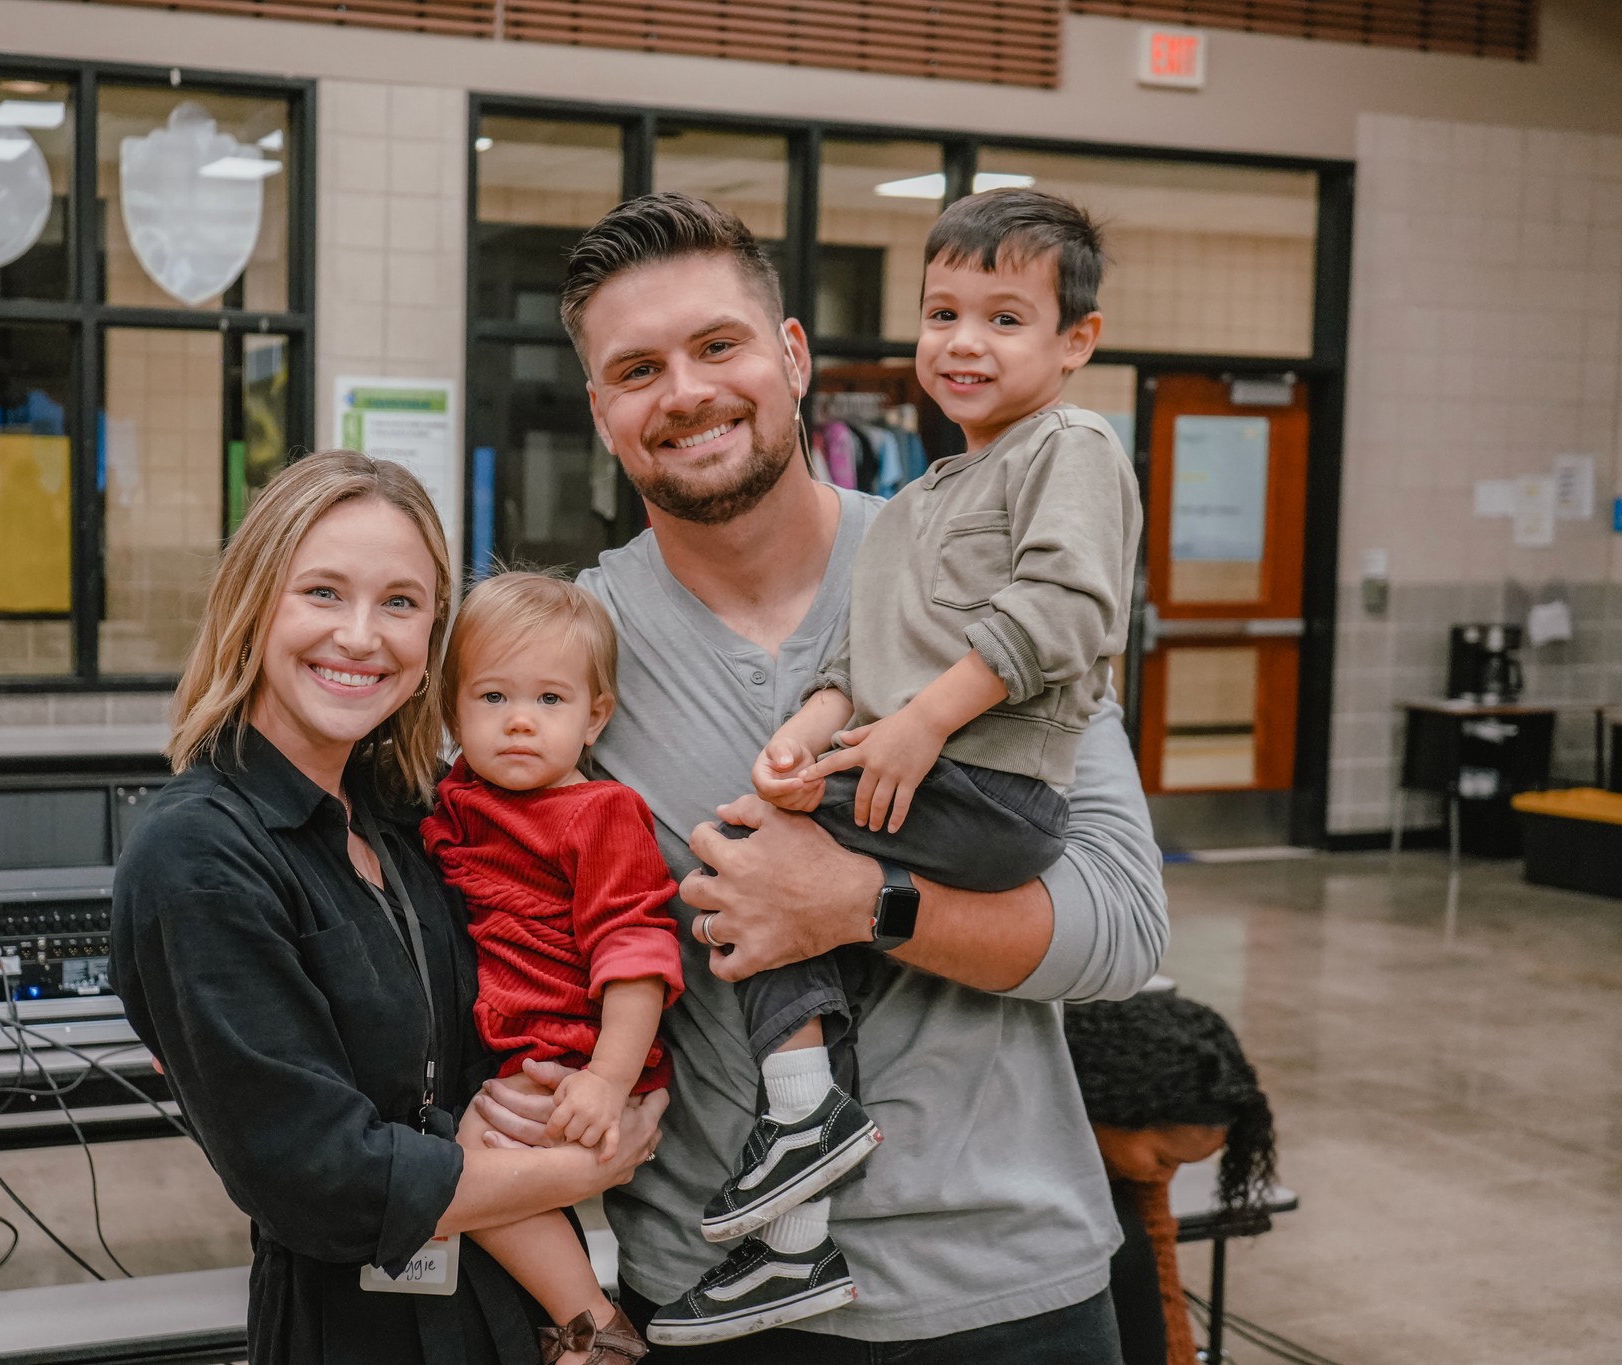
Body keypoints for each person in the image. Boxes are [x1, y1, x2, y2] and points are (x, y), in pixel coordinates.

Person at [469, 192, 1168, 1361]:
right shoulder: (558, 661)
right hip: (713, 1290)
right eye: (635, 369)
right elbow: (501, 919)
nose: (684, 392)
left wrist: (859, 907)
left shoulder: (984, 559)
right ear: (599, 410)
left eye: (717, 345)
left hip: (1007, 1280)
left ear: (790, 357)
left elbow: (1120, 929)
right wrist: (517, 1085)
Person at [109, 451, 667, 1365]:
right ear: (254, 605)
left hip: (513, 1314)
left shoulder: (415, 814)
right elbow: (321, 1179)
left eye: (401, 603)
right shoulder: (199, 853)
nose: (362, 637)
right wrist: (591, 1163)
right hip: (354, 1334)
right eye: (323, 592)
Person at [423, 571, 687, 1362]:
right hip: (520, 1045)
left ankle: (595, 1330)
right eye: (493, 698)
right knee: (467, 1175)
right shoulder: (459, 800)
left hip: (579, 1051)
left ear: (594, 715)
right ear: (453, 710)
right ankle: (589, 1324)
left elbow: (634, 954)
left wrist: (608, 1077)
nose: (519, 724)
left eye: (549, 701)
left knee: (467, 1178)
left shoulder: (599, 813)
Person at [1064, 991, 1278, 1365]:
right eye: (1165, 1159)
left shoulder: (1130, 1163)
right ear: (1112, 1104)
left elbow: (1159, 1266)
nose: (1166, 1176)